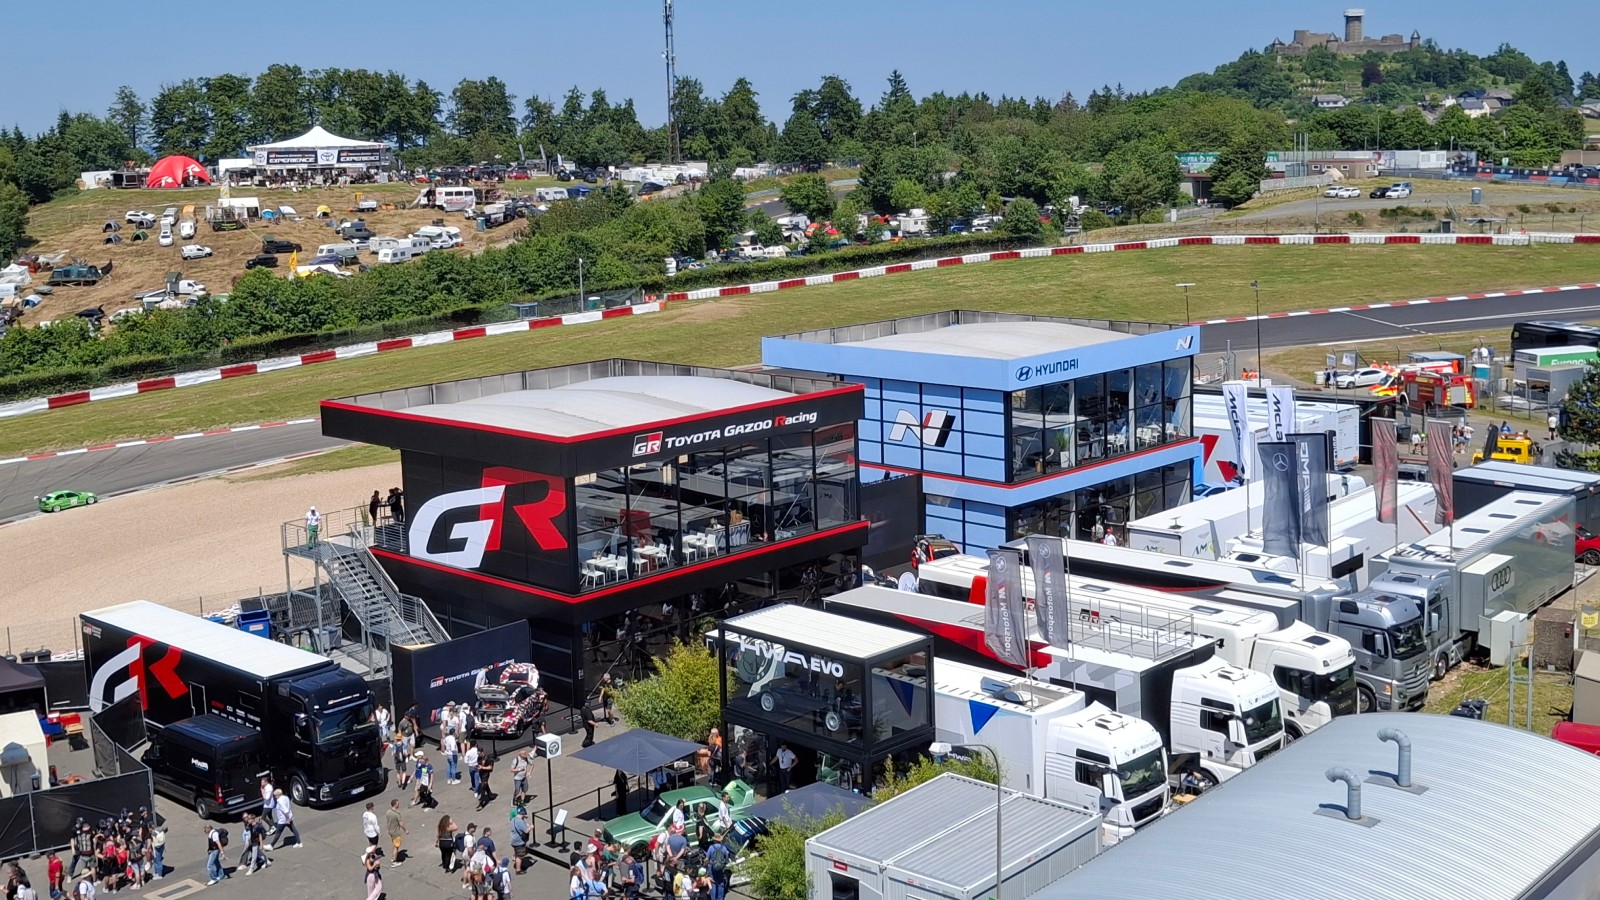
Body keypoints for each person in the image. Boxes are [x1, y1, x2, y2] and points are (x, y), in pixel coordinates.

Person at [386, 799, 408, 867]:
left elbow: (388, 821)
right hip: (395, 832)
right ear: (395, 804)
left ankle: (393, 857)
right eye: (398, 803)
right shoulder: (397, 814)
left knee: (395, 845)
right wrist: (405, 830)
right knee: (396, 847)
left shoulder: (388, 812)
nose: (398, 804)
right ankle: (394, 861)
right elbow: (400, 823)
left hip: (390, 831)